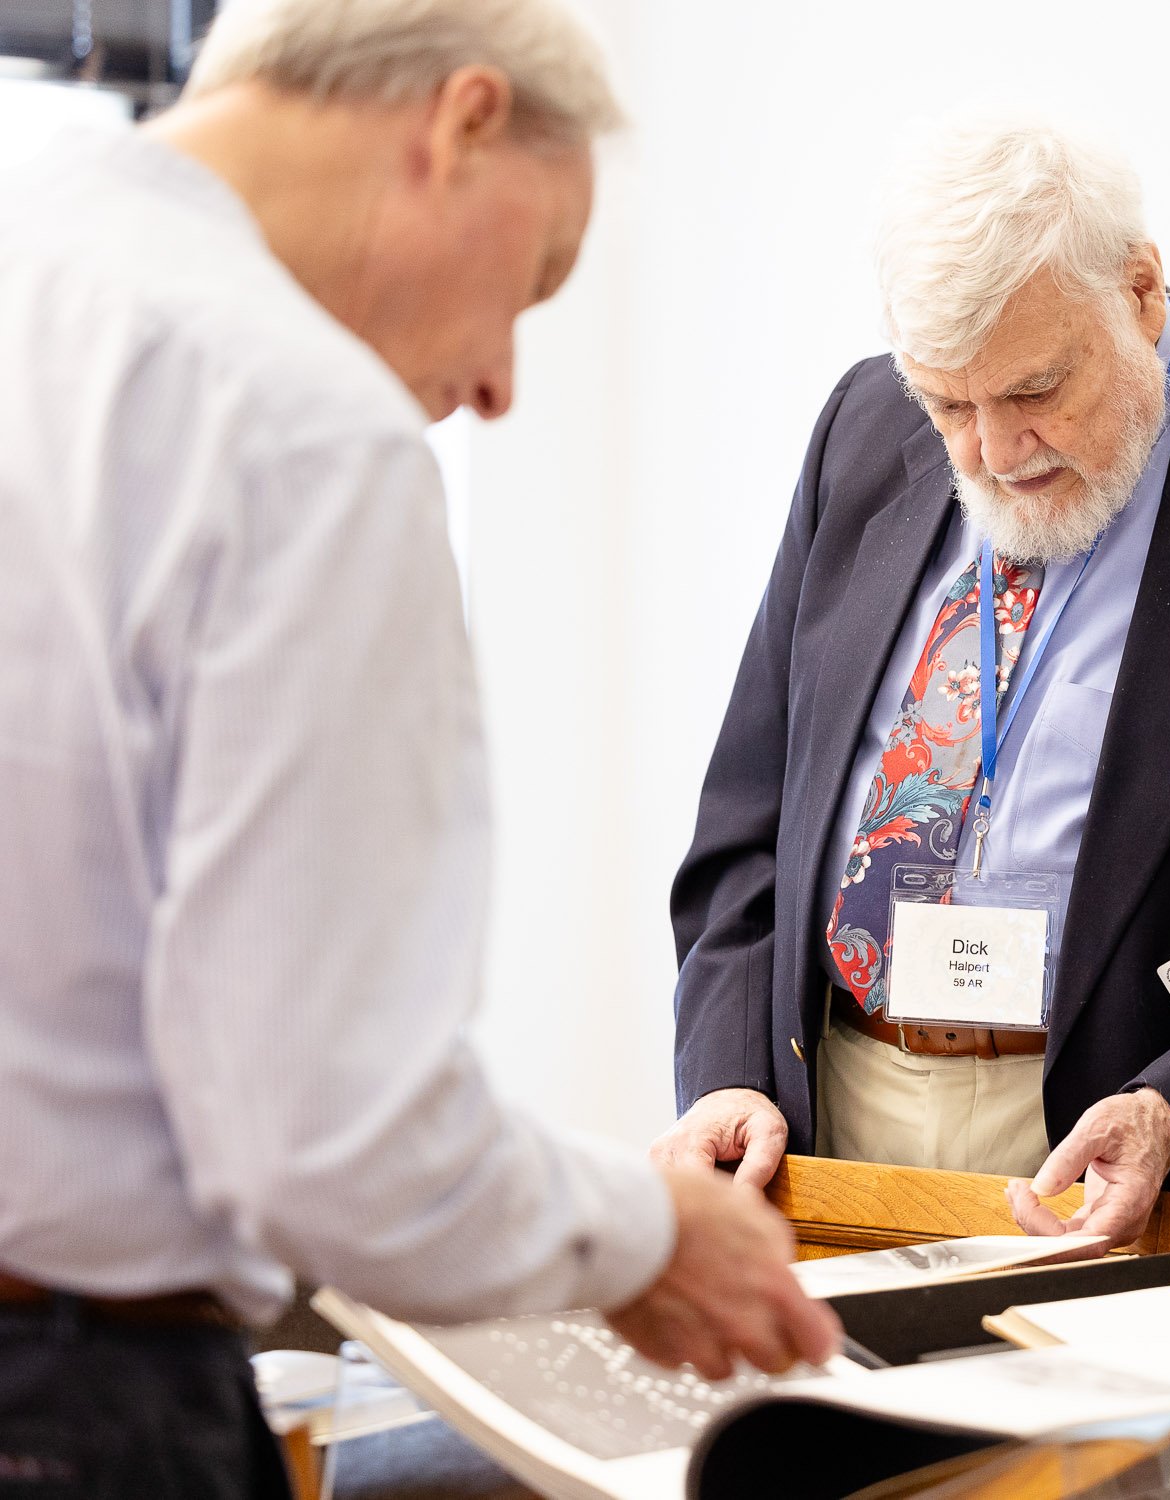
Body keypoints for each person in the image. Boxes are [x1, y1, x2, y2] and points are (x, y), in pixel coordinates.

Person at [0, 1, 837, 1490]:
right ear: (459, 124)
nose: (504, 381)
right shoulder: (301, 430)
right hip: (74, 1401)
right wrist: (645, 1235)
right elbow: (322, 1134)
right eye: (537, 272)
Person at [650, 121, 1170, 1320]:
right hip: (837, 1122)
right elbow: (749, 824)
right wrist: (728, 1074)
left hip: (1143, 1161)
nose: (993, 451)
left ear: (1142, 294)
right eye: (949, 402)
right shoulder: (863, 431)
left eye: (1037, 390)